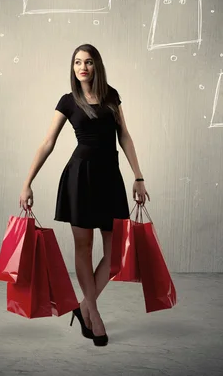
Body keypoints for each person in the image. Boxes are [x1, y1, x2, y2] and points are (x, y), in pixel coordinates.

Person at [18, 43, 149, 347]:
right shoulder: (68, 101)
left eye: (88, 62)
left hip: (110, 178)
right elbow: (47, 142)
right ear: (73, 67)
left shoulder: (112, 96)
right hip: (80, 177)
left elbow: (125, 137)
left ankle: (84, 306)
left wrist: (138, 177)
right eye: (77, 62)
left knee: (115, 256)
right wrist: (27, 182)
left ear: (96, 66)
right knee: (83, 248)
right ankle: (95, 314)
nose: (83, 67)